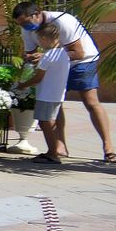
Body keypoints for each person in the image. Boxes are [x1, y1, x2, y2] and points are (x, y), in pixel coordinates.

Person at [11, 0, 116, 163]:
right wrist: (31, 59)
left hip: (82, 62)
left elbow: (78, 53)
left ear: (37, 14)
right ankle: (59, 148)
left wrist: (48, 57)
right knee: (55, 102)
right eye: (21, 24)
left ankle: (108, 149)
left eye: (26, 22)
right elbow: (30, 53)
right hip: (55, 63)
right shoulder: (27, 30)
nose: (25, 27)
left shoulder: (63, 21)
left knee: (91, 102)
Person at [15, 22, 71, 164]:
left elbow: (38, 77)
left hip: (46, 94)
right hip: (58, 94)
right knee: (50, 121)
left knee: (46, 123)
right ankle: (54, 150)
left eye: (40, 39)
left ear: (45, 39)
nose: (39, 42)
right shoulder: (63, 54)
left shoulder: (47, 56)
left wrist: (23, 85)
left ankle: (53, 153)